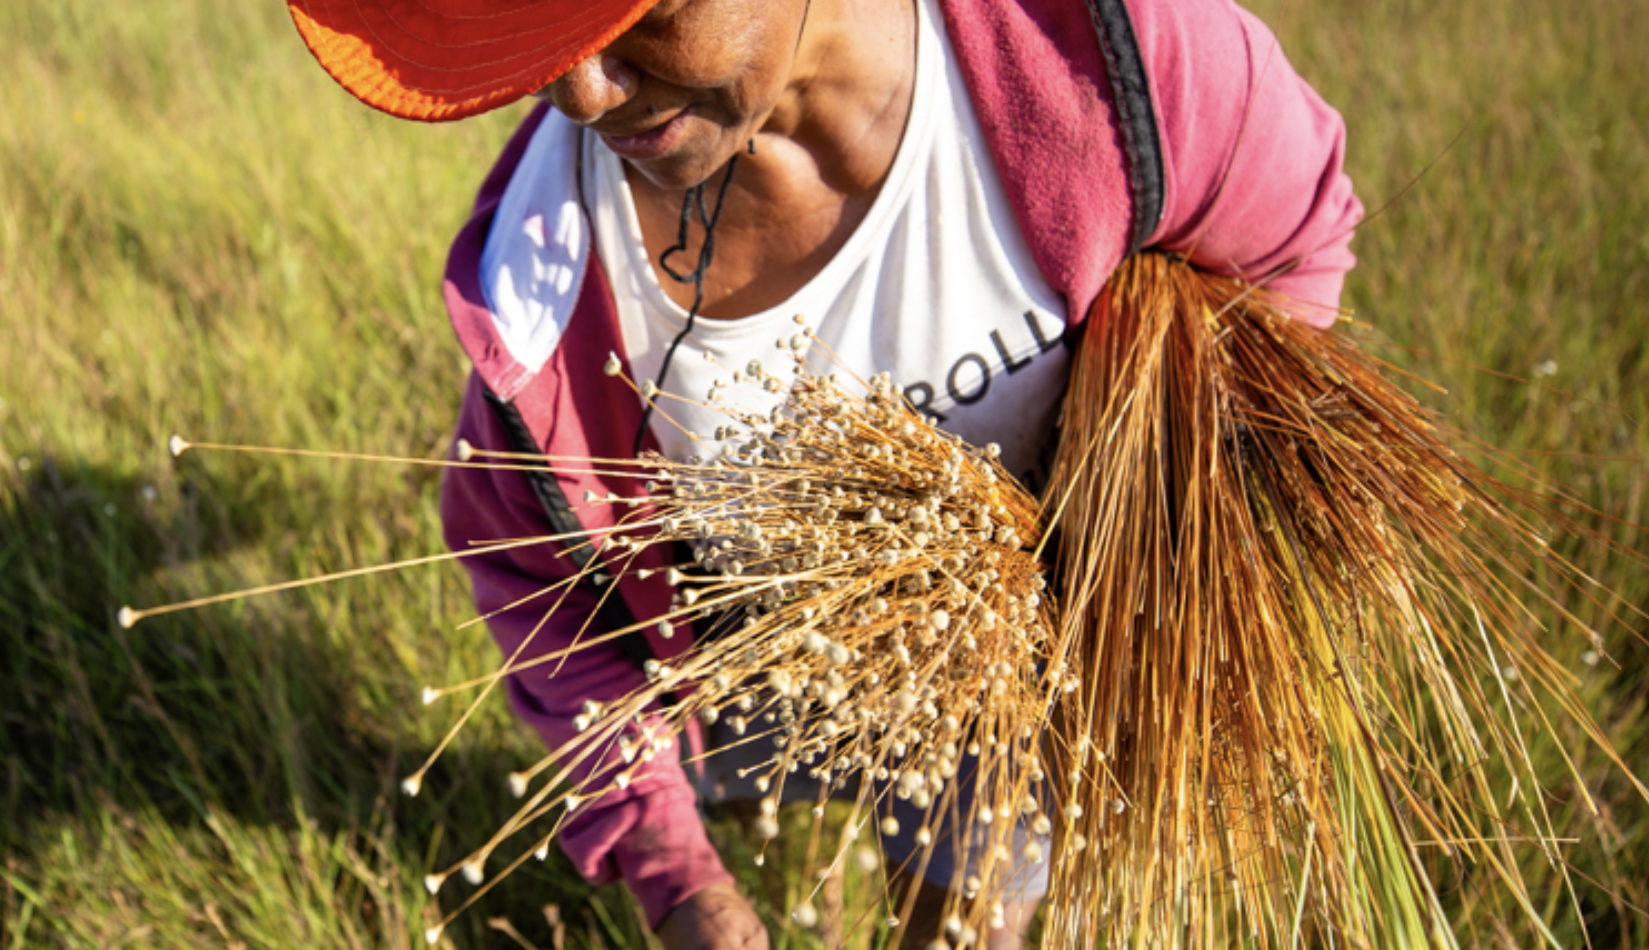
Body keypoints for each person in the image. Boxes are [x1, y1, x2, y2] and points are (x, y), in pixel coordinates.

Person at [285, 0, 1361, 946]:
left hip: (1024, 668)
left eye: (636, 13)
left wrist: (1161, 523)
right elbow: (551, 611)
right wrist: (678, 883)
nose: (582, 93)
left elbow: (1293, 243)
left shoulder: (1109, 63)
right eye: (542, 28)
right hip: (738, 675)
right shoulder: (546, 287)